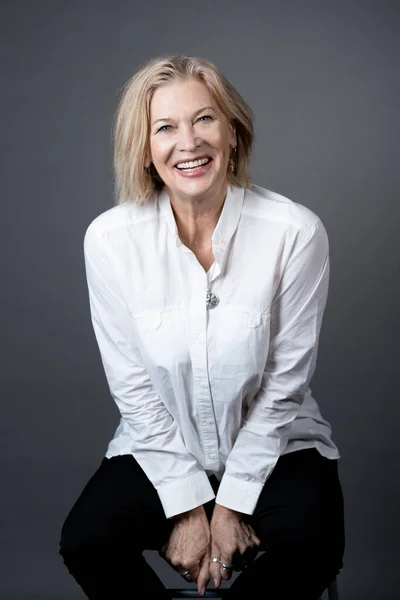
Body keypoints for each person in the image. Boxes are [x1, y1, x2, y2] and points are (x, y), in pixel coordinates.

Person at [59, 55, 345, 600]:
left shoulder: (294, 232)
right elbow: (133, 389)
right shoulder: (110, 240)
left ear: (233, 133)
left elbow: (284, 384)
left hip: (276, 445)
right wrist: (189, 506)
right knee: (87, 541)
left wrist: (231, 505)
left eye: (205, 119)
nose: (188, 142)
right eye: (165, 127)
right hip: (163, 446)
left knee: (314, 544)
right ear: (144, 149)